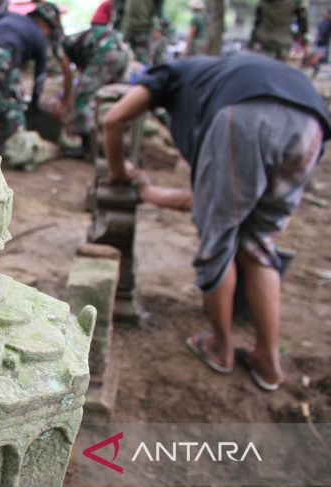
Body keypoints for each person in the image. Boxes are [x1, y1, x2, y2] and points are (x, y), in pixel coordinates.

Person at [102, 52, 330, 391]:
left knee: (218, 242)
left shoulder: (169, 72)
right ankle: (268, 361)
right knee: (257, 243)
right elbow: (215, 199)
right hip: (312, 123)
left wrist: (120, 173)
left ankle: (219, 346)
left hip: (247, 115)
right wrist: (151, 193)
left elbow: (113, 118)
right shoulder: (214, 76)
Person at [0, 3, 69, 153]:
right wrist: (34, 103)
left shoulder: (9, 16)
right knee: (13, 101)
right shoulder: (39, 36)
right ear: (43, 23)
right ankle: (20, 150)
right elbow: (40, 77)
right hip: (0, 55)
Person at [62, 0, 131, 158]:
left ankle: (87, 147)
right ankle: (116, 146)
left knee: (82, 98)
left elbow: (67, 72)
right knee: (112, 98)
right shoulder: (85, 38)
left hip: (107, 52)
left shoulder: (62, 43)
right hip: (124, 51)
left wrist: (67, 99)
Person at [119, 0, 163, 65]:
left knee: (141, 62)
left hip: (143, 30)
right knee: (123, 59)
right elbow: (120, 5)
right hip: (127, 27)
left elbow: (158, 10)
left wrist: (157, 28)